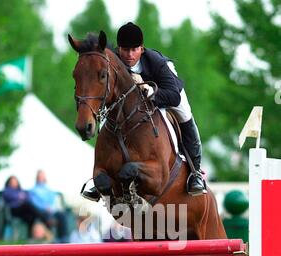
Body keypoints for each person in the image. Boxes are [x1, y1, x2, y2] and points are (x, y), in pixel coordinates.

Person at [81, 21, 206, 201]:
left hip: (166, 90)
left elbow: (173, 96)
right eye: (125, 50)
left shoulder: (156, 63)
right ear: (119, 49)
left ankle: (195, 172)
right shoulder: (114, 60)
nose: (129, 55)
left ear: (142, 48)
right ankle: (99, 175)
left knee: (184, 115)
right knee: (109, 117)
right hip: (133, 102)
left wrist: (152, 93)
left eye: (134, 50)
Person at [29, 170, 70, 243]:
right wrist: (44, 207)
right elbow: (34, 203)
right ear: (37, 177)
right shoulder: (33, 190)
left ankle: (63, 239)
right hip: (40, 212)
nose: (41, 178)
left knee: (62, 215)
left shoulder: (49, 190)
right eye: (39, 176)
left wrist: (50, 207)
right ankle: (49, 221)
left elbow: (53, 201)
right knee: (42, 213)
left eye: (42, 176)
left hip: (50, 211)